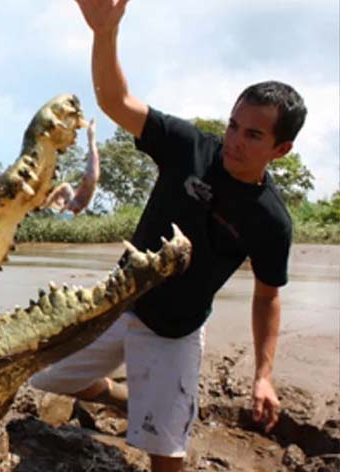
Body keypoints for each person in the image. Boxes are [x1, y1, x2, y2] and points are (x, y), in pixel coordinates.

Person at [30, 1, 308, 471]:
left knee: (166, 455)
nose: (235, 141)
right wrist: (105, 33)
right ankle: (121, 397)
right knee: (42, 380)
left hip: (174, 331)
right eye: (233, 125)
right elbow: (116, 102)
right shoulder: (189, 147)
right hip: (115, 306)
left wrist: (264, 375)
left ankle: (151, 403)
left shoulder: (271, 220)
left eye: (253, 136)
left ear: (281, 149)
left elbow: (267, 297)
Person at [44, 118, 101, 214]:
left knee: (92, 147)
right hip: (89, 182)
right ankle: (47, 204)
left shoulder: (75, 203)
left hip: (89, 181)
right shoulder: (77, 202)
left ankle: (47, 204)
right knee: (92, 148)